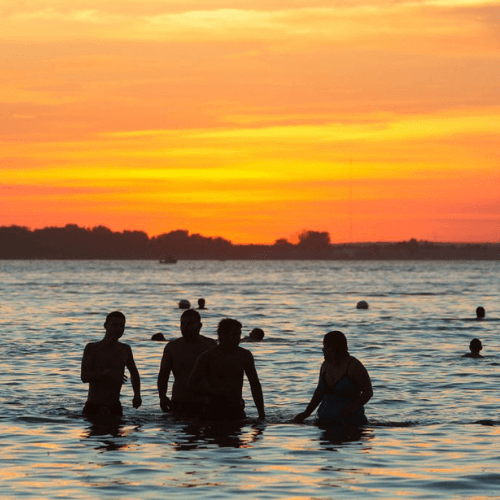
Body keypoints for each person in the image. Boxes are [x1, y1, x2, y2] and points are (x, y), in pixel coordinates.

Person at [188, 318, 265, 421]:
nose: (237, 338)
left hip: (236, 410)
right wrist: (214, 392)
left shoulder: (244, 355)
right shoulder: (208, 356)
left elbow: (255, 384)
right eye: (234, 335)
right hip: (212, 410)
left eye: (239, 334)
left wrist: (261, 414)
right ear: (222, 335)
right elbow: (191, 385)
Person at [293, 331, 372, 426]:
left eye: (325, 346)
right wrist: (306, 413)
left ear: (334, 347)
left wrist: (351, 409)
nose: (323, 350)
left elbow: (368, 392)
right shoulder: (325, 366)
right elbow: (319, 392)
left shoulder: (354, 366)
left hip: (351, 425)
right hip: (323, 424)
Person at [81, 311, 142, 417]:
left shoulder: (125, 349)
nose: (118, 328)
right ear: (106, 326)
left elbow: (134, 372)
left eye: (122, 326)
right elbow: (84, 377)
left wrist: (137, 394)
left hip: (115, 406)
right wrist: (105, 373)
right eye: (115, 324)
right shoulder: (92, 348)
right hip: (94, 406)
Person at [157, 309, 217, 416]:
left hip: (205, 402)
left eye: (190, 323)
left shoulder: (210, 345)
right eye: (182, 323)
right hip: (179, 401)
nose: (185, 327)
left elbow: (220, 374)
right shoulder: (172, 347)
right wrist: (162, 396)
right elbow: (163, 375)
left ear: (199, 325)